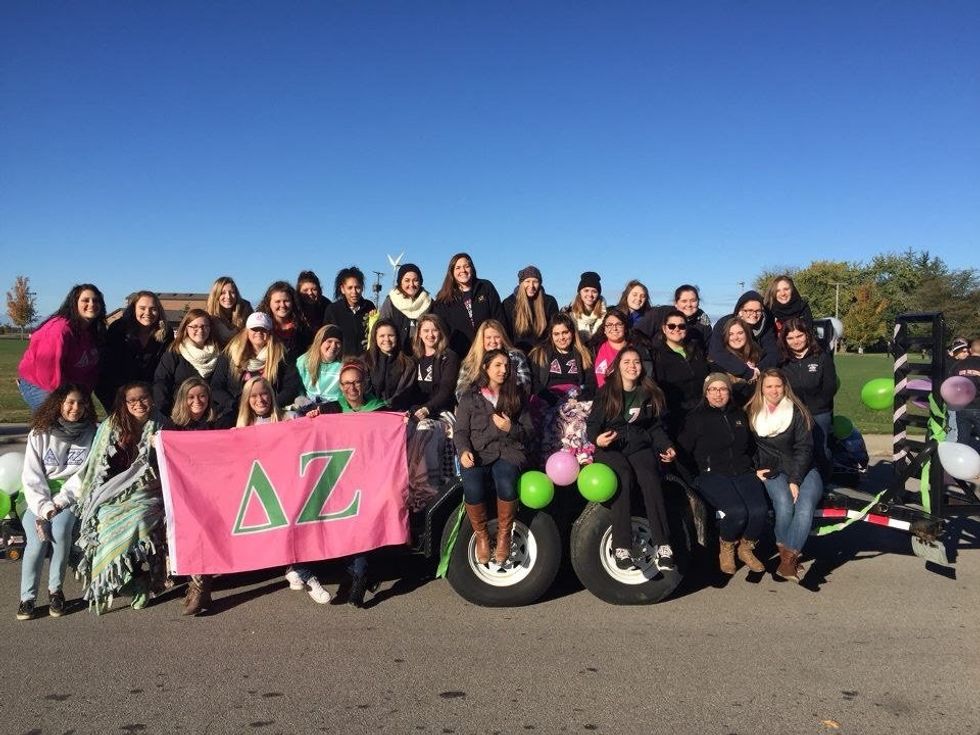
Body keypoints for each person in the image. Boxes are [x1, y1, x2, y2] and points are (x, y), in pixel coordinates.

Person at [59, 382, 166, 612]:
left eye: (143, 398)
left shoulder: (162, 424)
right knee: (103, 519)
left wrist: (160, 446)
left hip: (151, 491)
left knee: (139, 520)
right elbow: (95, 469)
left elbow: (170, 465)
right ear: (124, 404)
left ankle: (137, 578)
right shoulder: (111, 427)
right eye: (132, 400)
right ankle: (129, 579)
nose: (139, 404)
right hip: (113, 491)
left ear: (152, 398)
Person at [234, 377, 332, 605]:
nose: (260, 399)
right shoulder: (241, 428)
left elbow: (309, 437)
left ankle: (297, 570)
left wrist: (312, 419)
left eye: (264, 393)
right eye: (254, 395)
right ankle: (305, 575)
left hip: (290, 486)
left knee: (295, 521)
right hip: (262, 492)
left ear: (272, 395)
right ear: (247, 400)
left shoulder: (290, 417)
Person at [586, 347, 678, 572]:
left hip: (639, 446)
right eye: (626, 361)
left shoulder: (650, 392)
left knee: (650, 478)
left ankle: (664, 545)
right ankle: (622, 548)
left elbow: (655, 427)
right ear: (618, 366)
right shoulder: (606, 392)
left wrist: (666, 446)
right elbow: (593, 425)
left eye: (636, 361)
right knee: (623, 477)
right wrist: (598, 439)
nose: (632, 366)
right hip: (611, 448)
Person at [16, 385, 97, 620]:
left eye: (81, 403)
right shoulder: (39, 432)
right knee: (37, 541)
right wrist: (44, 507)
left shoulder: (92, 432)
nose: (75, 408)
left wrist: (59, 503)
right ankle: (27, 598)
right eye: (70, 402)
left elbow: (83, 476)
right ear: (58, 404)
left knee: (61, 532)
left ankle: (56, 591)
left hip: (69, 496)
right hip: (34, 495)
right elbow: (31, 476)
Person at [678, 373, 769, 576]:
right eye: (713, 390)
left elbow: (751, 447)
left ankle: (746, 548)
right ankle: (726, 548)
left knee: (759, 510)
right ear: (706, 393)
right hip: (712, 474)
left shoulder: (739, 415)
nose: (718, 394)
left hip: (743, 472)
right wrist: (691, 479)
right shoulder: (695, 418)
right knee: (737, 512)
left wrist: (757, 467)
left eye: (723, 389)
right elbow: (682, 452)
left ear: (729, 391)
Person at [455, 349, 534, 566]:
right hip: (479, 453)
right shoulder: (471, 397)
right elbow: (460, 431)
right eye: (498, 365)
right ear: (486, 368)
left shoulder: (516, 394)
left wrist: (511, 428)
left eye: (506, 366)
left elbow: (529, 431)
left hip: (508, 451)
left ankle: (503, 535)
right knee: (473, 488)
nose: (503, 370)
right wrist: (463, 451)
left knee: (506, 484)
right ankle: (481, 536)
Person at [746, 369, 822, 582]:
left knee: (805, 504)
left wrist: (795, 480)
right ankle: (787, 561)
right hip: (772, 470)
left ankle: (788, 561)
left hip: (804, 468)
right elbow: (745, 446)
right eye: (768, 386)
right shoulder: (751, 412)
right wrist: (754, 468)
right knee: (783, 503)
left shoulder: (797, 411)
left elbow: (804, 449)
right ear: (761, 388)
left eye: (778, 385)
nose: (774, 390)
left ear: (785, 386)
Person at [17, 284, 105, 412]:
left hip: (71, 386)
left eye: (96, 300)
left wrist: (83, 395)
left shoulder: (93, 332)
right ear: (74, 303)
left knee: (82, 424)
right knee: (57, 423)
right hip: (41, 384)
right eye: (85, 300)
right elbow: (48, 371)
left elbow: (91, 371)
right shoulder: (59, 330)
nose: (91, 304)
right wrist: (67, 399)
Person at [528, 313, 597, 462]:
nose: (561, 338)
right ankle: (548, 459)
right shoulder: (540, 353)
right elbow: (533, 381)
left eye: (565, 332)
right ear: (551, 335)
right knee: (552, 423)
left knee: (577, 422)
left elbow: (591, 383)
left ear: (572, 332)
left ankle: (579, 457)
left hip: (575, 400)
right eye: (556, 334)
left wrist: (578, 398)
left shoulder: (583, 354)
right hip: (548, 398)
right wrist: (551, 398)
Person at [210, 312, 302, 421]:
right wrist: (233, 404)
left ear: (270, 332)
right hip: (235, 412)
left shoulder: (282, 356)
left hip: (271, 412)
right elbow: (216, 386)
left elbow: (291, 387)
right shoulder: (229, 355)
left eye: (263, 329)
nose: (259, 332)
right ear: (247, 331)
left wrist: (271, 405)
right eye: (254, 329)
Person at [778, 318, 837, 479]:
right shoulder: (782, 362)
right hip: (792, 413)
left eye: (799, 336)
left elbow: (830, 386)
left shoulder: (821, 357)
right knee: (796, 449)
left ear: (807, 335)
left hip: (818, 413)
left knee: (820, 449)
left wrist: (815, 407)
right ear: (785, 340)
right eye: (790, 338)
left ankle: (825, 482)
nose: (796, 341)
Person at [97, 291, 173, 412]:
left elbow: (163, 371)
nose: (147, 313)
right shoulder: (119, 329)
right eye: (142, 308)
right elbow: (109, 368)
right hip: (119, 393)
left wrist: (157, 400)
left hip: (151, 395)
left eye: (153, 309)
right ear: (133, 309)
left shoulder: (165, 333)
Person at [432, 252, 506, 359]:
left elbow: (499, 319)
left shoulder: (485, 287)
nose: (463, 270)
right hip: (461, 356)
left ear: (472, 269)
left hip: (489, 352)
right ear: (452, 272)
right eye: (458, 268)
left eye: (466, 266)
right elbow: (441, 331)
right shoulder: (443, 299)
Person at [651, 308, 711, 438]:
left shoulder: (696, 350)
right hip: (678, 417)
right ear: (664, 328)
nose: (677, 329)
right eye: (672, 326)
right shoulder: (657, 355)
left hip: (703, 410)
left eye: (681, 326)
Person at [152, 309, 221, 417]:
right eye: (194, 326)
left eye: (204, 326)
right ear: (186, 328)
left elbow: (222, 385)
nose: (200, 330)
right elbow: (161, 383)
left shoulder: (219, 354)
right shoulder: (174, 352)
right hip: (178, 415)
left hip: (211, 416)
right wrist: (164, 413)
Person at [709, 290, 779, 381]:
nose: (754, 314)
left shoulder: (766, 326)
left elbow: (773, 353)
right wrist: (746, 370)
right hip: (731, 371)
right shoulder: (724, 324)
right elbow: (717, 351)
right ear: (740, 311)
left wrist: (758, 369)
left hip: (757, 369)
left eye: (758, 311)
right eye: (749, 310)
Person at [456, 319, 532, 398]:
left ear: (503, 338)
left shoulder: (516, 357)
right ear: (482, 339)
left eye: (497, 337)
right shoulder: (471, 361)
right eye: (488, 337)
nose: (493, 341)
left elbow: (524, 386)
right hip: (478, 406)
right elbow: (461, 391)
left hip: (510, 404)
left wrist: (502, 401)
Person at [408, 314, 460, 422]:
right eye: (426, 331)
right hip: (415, 411)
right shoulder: (413, 359)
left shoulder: (449, 357)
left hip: (440, 412)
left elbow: (446, 389)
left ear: (440, 333)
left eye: (434, 330)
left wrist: (427, 408)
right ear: (420, 334)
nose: (430, 335)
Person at [501, 265, 559, 353]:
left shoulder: (549, 302)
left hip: (543, 352)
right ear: (521, 283)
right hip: (518, 352)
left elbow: (554, 329)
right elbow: (506, 333)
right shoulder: (509, 303)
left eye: (535, 281)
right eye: (527, 281)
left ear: (540, 283)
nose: (531, 286)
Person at [378, 263, 433, 355]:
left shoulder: (429, 303)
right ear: (400, 282)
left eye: (415, 280)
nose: (411, 284)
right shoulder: (391, 301)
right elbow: (382, 327)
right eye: (407, 280)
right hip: (396, 356)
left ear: (420, 282)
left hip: (422, 356)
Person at [362, 318, 416, 410]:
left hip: (397, 411)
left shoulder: (408, 364)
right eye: (382, 336)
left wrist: (386, 407)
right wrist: (376, 407)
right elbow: (364, 390)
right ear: (375, 338)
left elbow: (403, 393)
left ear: (397, 337)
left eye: (391, 335)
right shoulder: (364, 361)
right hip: (369, 410)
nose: (386, 339)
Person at [324, 266, 376, 357]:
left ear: (362, 288)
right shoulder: (333, 310)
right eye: (350, 288)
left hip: (365, 362)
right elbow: (326, 338)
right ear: (342, 289)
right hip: (341, 363)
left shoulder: (369, 307)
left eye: (357, 287)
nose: (354, 291)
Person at [636, 284, 712, 346]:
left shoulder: (703, 321)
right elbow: (637, 334)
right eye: (684, 301)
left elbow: (708, 349)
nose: (689, 305)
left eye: (693, 301)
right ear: (676, 303)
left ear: (698, 301)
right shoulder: (659, 314)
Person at [256, 281, 313, 362]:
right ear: (269, 303)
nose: (282, 305)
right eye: (277, 301)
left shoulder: (303, 328)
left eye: (286, 301)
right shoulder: (261, 328)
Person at [710, 317, 762, 405]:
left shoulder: (759, 358)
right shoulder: (717, 364)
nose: (736, 337)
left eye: (740, 333)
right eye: (731, 334)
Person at [297, 324, 345, 404]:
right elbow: (296, 389)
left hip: (334, 408)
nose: (333, 346)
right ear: (320, 342)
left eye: (337, 342)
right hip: (308, 407)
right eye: (329, 341)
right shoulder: (303, 361)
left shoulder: (343, 366)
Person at [947, 341, 980, 453]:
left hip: (962, 407)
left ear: (971, 350)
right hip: (977, 406)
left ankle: (961, 465)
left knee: (962, 439)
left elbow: (951, 383)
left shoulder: (958, 365)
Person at [206, 276, 253, 346]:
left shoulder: (246, 310)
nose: (228, 296)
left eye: (232, 292)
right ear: (216, 294)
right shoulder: (208, 316)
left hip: (241, 352)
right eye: (222, 293)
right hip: (217, 354)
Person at [564, 271, 607, 344]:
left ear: (598, 294)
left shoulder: (606, 315)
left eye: (594, 291)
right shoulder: (568, 314)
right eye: (586, 290)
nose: (590, 294)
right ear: (580, 292)